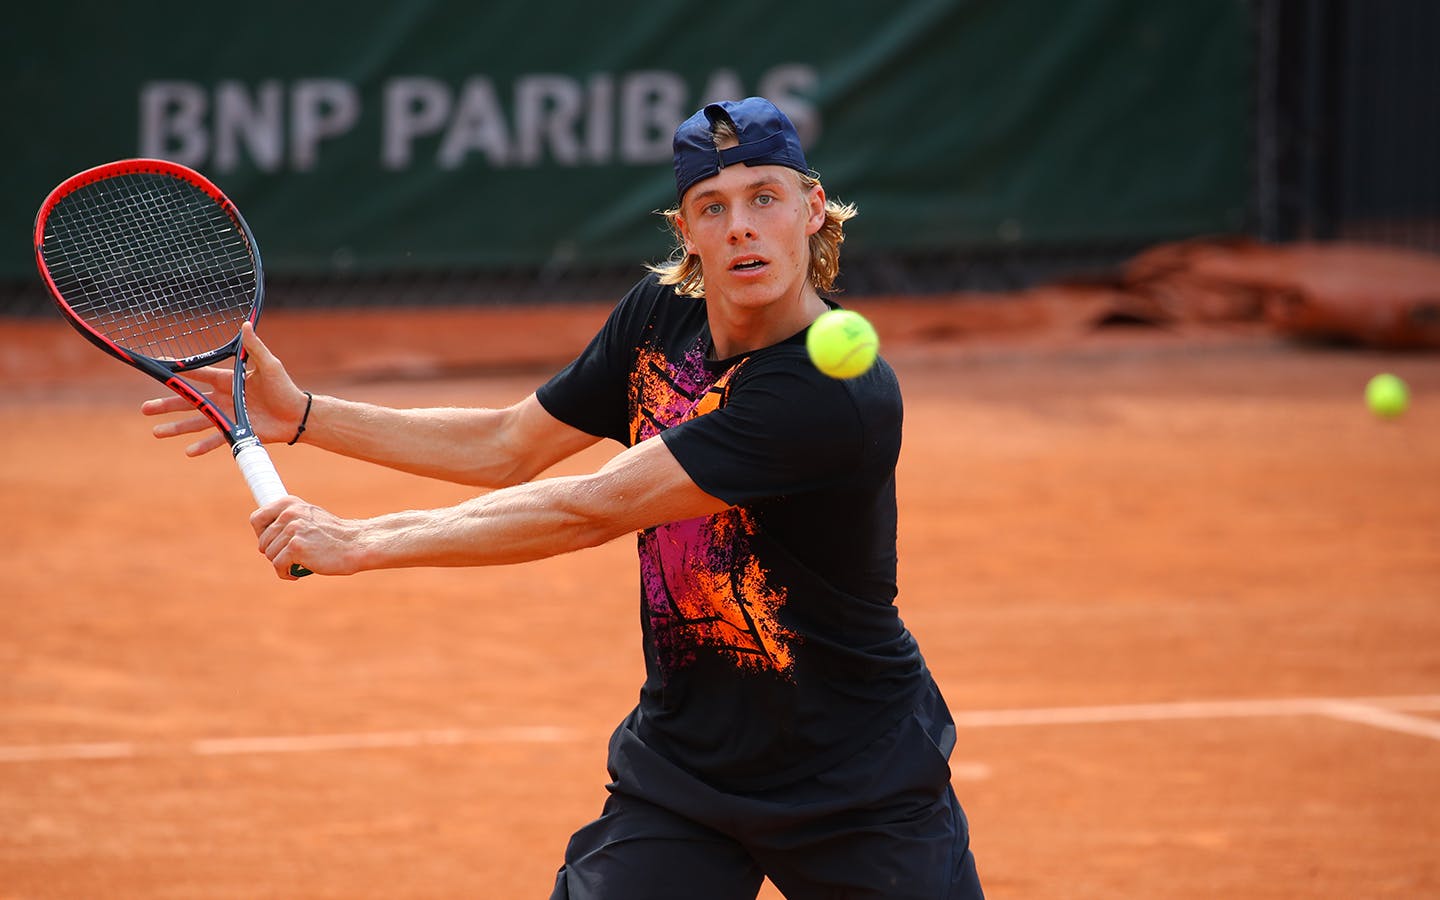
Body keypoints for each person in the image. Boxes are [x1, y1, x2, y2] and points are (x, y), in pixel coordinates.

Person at [145, 97, 984, 899]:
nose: (741, 227)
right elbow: (508, 446)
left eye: (764, 197)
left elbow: (589, 508)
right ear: (686, 232)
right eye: (712, 206)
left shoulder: (828, 392)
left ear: (811, 209)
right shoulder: (660, 317)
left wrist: (363, 541)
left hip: (855, 778)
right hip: (688, 766)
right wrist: (305, 417)